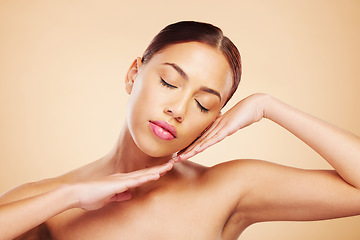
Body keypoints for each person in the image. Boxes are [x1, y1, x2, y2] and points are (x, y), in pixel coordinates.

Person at [1, 21, 360, 240]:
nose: (178, 109)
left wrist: (267, 106)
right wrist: (69, 197)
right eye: (170, 82)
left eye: (204, 105)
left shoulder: (230, 188)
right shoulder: (50, 199)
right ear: (133, 74)